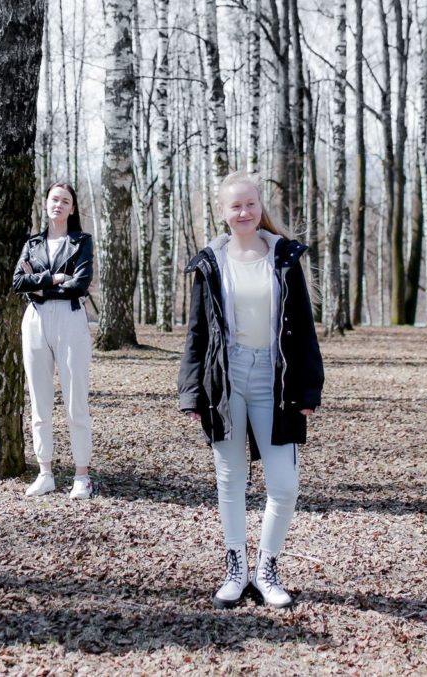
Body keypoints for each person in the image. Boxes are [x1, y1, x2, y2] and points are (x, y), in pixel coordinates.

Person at [178, 171, 323, 609]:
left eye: (250, 204)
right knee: (230, 479)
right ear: (223, 212)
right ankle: (236, 568)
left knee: (284, 485)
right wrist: (191, 392)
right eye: (235, 206)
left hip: (274, 379)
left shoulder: (283, 257)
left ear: (261, 208)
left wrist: (308, 389)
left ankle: (266, 569)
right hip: (226, 378)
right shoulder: (211, 262)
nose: (243, 212)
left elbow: (304, 327)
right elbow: (197, 332)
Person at [12, 181, 96, 499]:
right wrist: (54, 277)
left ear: (72, 208)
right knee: (39, 400)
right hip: (35, 319)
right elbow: (18, 282)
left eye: (65, 201)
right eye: (53, 199)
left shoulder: (81, 242)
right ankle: (44, 472)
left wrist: (40, 285)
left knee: (76, 401)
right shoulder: (32, 243)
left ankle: (81, 475)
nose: (58, 204)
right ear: (46, 204)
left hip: (71, 319)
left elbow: (80, 284)